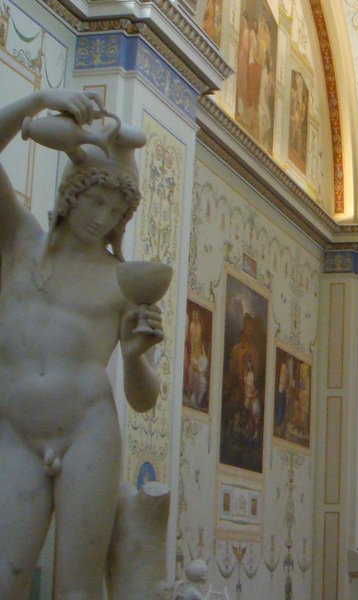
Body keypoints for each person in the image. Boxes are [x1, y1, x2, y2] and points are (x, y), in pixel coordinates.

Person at [0, 89, 162, 598]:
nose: (101, 217)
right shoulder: (20, 243)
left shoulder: (123, 281)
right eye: (95, 200)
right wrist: (38, 100)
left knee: (77, 588)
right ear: (72, 194)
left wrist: (134, 357)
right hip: (15, 431)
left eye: (115, 210)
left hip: (87, 432)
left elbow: (144, 398)